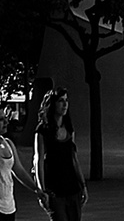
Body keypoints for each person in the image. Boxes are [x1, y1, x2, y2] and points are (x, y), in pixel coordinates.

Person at [34, 89, 87, 221]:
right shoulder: (42, 130)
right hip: (54, 189)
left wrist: (83, 185)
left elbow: (74, 159)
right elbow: (38, 160)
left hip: (72, 187)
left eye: (66, 101)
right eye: (60, 101)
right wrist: (42, 190)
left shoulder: (69, 128)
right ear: (52, 104)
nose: (65, 105)